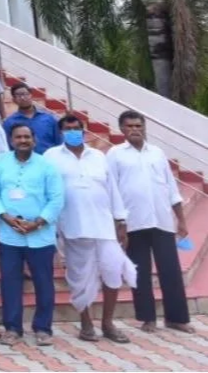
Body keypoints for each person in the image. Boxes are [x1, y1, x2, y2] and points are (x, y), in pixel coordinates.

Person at [45, 114, 134, 343]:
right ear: (61, 132)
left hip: (104, 225)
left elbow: (112, 189)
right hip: (72, 227)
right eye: (67, 128)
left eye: (76, 128)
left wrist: (121, 220)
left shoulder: (98, 156)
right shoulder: (51, 157)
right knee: (79, 278)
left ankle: (108, 324)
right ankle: (86, 325)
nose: (72, 131)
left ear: (83, 131)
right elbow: (47, 192)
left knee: (113, 271)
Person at [107, 109, 193, 333]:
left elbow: (171, 189)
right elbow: (112, 191)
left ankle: (177, 318)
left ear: (144, 128)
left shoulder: (157, 152)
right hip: (133, 223)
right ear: (122, 129)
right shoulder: (115, 155)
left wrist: (181, 221)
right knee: (139, 272)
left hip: (162, 220)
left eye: (138, 126)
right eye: (130, 126)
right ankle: (148, 319)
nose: (135, 130)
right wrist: (119, 225)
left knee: (171, 270)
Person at [0, 124, 63, 346]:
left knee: (43, 282)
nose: (23, 140)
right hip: (9, 235)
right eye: (18, 137)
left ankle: (43, 328)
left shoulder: (47, 166)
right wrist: (5, 217)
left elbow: (57, 198)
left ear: (34, 140)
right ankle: (12, 328)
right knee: (10, 282)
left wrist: (37, 223)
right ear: (11, 141)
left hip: (40, 235)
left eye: (27, 137)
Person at [2, 83, 61, 153]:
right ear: (14, 100)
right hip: (23, 162)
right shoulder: (9, 123)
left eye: (25, 94)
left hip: (48, 161)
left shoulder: (48, 118)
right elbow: (8, 148)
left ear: (31, 95)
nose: (23, 98)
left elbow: (59, 142)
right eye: (18, 95)